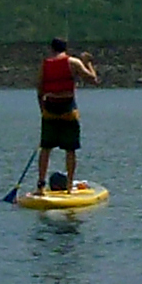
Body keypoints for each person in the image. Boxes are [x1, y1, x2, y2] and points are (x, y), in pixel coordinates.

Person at [36, 37, 97, 191]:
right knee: (70, 149)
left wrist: (42, 110)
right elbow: (93, 79)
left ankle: (41, 184)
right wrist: (87, 62)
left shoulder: (45, 64)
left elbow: (39, 90)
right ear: (65, 48)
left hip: (49, 109)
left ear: (52, 49)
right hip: (67, 109)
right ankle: (69, 184)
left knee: (46, 148)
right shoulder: (74, 62)